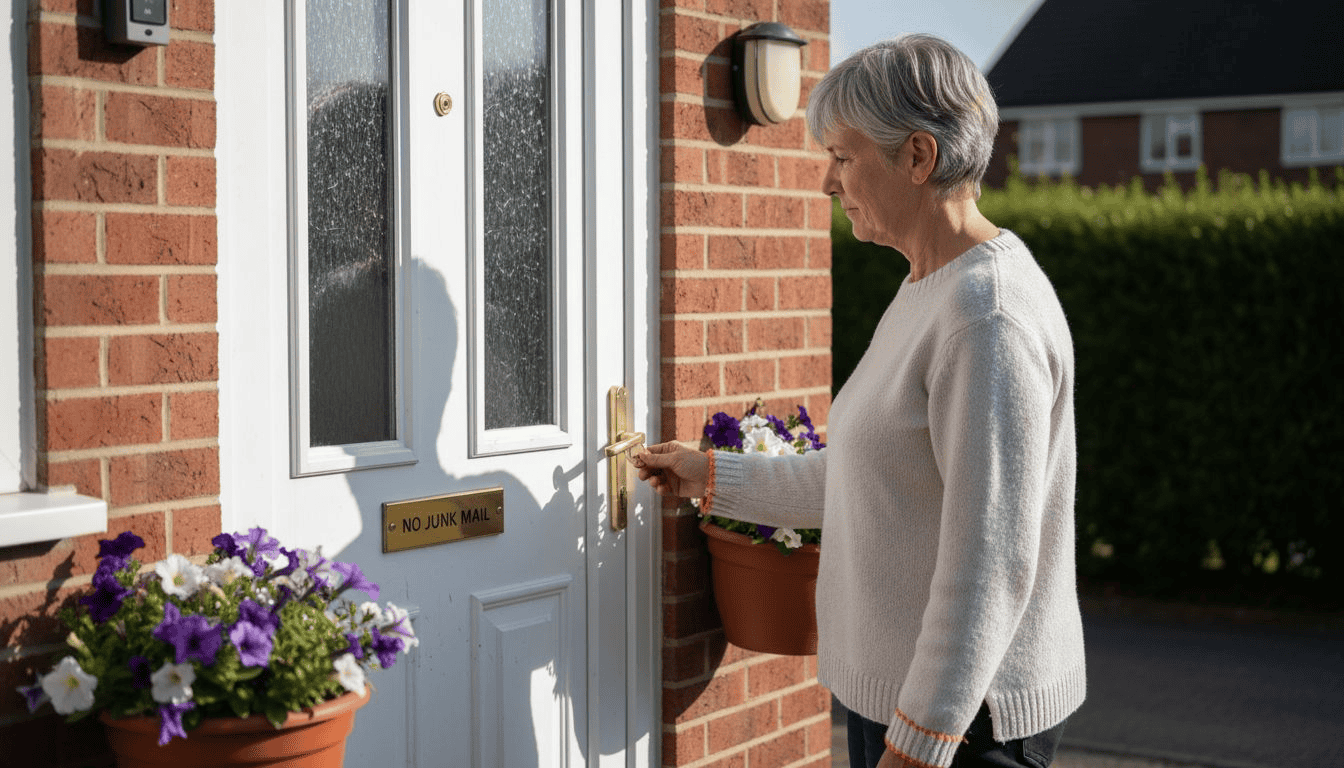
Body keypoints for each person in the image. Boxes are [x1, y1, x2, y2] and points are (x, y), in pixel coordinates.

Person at [634, 34, 1085, 768]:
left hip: (964, 726)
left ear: (916, 157)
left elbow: (991, 562)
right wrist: (711, 475)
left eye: (842, 157)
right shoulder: (927, 286)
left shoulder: (987, 317)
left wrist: (922, 740)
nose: (826, 182)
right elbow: (870, 474)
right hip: (908, 706)